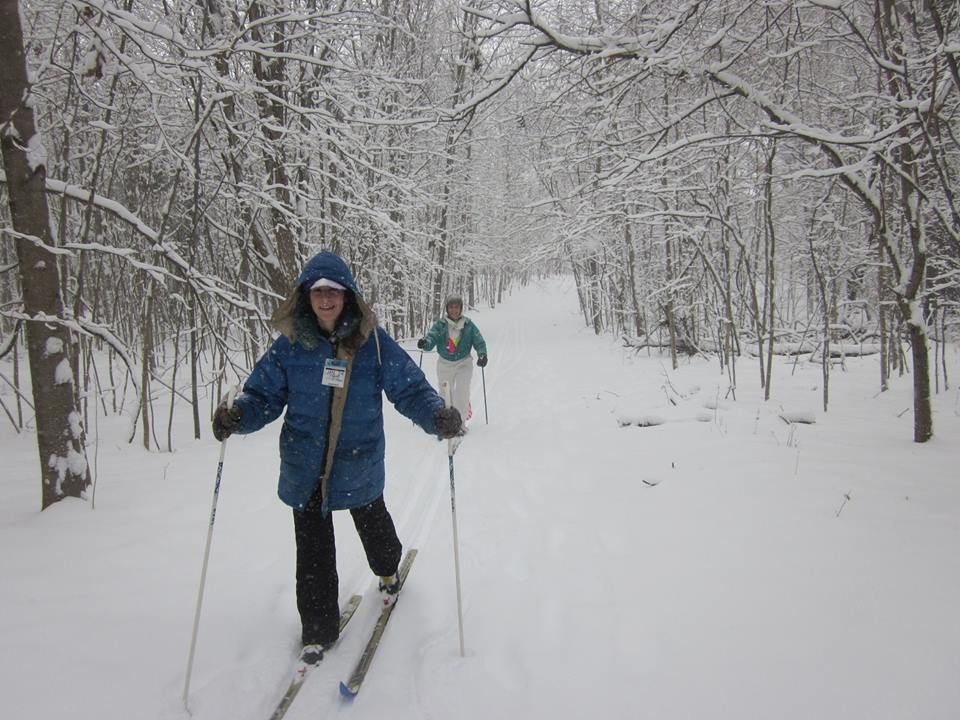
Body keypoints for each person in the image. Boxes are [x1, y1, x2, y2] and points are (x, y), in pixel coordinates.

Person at [211, 251, 462, 666]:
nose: (325, 299)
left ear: (348, 296)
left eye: (333, 291)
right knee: (311, 551)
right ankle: (317, 630)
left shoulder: (373, 344)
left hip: (357, 458)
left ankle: (388, 570)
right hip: (303, 466)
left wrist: (437, 415)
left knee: (374, 526)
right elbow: (262, 396)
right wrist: (238, 416)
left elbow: (410, 389)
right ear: (305, 297)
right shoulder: (290, 345)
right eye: (317, 292)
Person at [417, 295, 487, 431]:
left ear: (460, 309)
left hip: (464, 362)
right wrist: (425, 343)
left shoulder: (468, 325)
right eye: (451, 307)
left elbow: (479, 341)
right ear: (447, 309)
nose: (454, 310)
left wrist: (482, 354)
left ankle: (460, 422)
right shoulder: (441, 325)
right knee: (445, 393)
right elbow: (432, 337)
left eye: (457, 307)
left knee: (462, 388)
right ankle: (446, 422)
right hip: (445, 363)